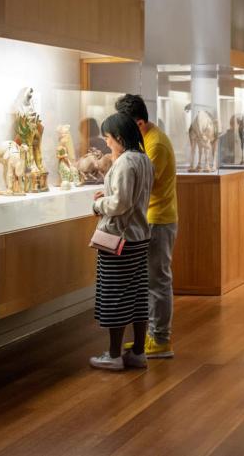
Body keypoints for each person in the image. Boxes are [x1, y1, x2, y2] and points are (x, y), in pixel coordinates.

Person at [90, 113, 154, 371]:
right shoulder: (143, 159)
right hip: (139, 236)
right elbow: (132, 196)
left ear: (119, 136)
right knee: (137, 295)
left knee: (114, 295)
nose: (106, 143)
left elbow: (120, 203)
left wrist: (98, 205)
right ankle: (138, 351)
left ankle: (114, 354)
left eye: (108, 137)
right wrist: (111, 193)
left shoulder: (125, 162)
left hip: (120, 239)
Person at [115, 94, 177, 358]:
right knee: (151, 280)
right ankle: (152, 336)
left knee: (157, 280)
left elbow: (142, 184)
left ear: (139, 123)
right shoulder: (146, 141)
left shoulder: (157, 145)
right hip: (149, 218)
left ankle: (160, 339)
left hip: (158, 219)